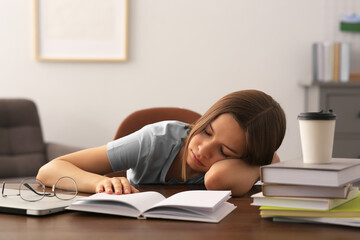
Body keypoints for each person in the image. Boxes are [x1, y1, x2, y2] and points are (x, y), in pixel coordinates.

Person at [37, 90, 286, 197]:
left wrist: (260, 163)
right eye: (207, 132)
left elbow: (216, 180)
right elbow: (49, 170)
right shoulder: (153, 142)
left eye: (225, 151)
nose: (203, 149)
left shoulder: (237, 168)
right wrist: (100, 181)